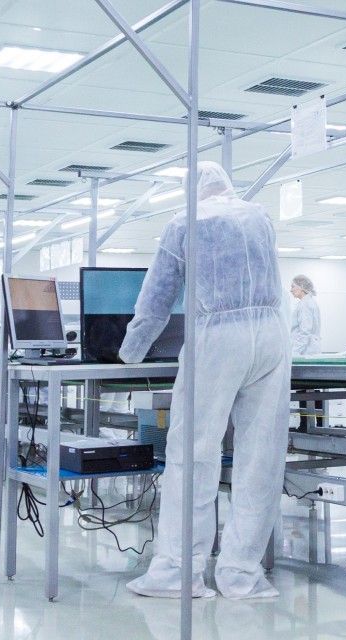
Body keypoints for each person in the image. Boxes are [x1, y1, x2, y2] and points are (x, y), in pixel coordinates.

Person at [122, 161, 290, 600]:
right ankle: (242, 575)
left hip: (218, 337)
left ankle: (178, 572)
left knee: (192, 453)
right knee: (260, 456)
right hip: (272, 335)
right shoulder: (260, 216)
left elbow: (157, 295)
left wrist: (132, 349)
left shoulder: (185, 222)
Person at [289, 274, 322, 356]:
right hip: (308, 350)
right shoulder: (308, 302)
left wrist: (294, 353)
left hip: (305, 352)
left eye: (293, 286)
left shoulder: (305, 304)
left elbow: (304, 332)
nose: (291, 290)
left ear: (301, 287)